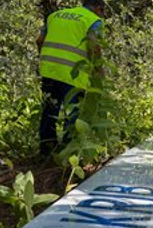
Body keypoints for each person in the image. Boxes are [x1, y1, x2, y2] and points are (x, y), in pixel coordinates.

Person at [36, 0, 106, 155]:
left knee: (49, 109)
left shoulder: (55, 15)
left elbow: (39, 40)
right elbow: (94, 46)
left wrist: (44, 58)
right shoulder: (93, 20)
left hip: (49, 70)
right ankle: (68, 152)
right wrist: (98, 69)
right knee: (73, 113)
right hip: (73, 74)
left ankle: (46, 150)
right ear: (99, 9)